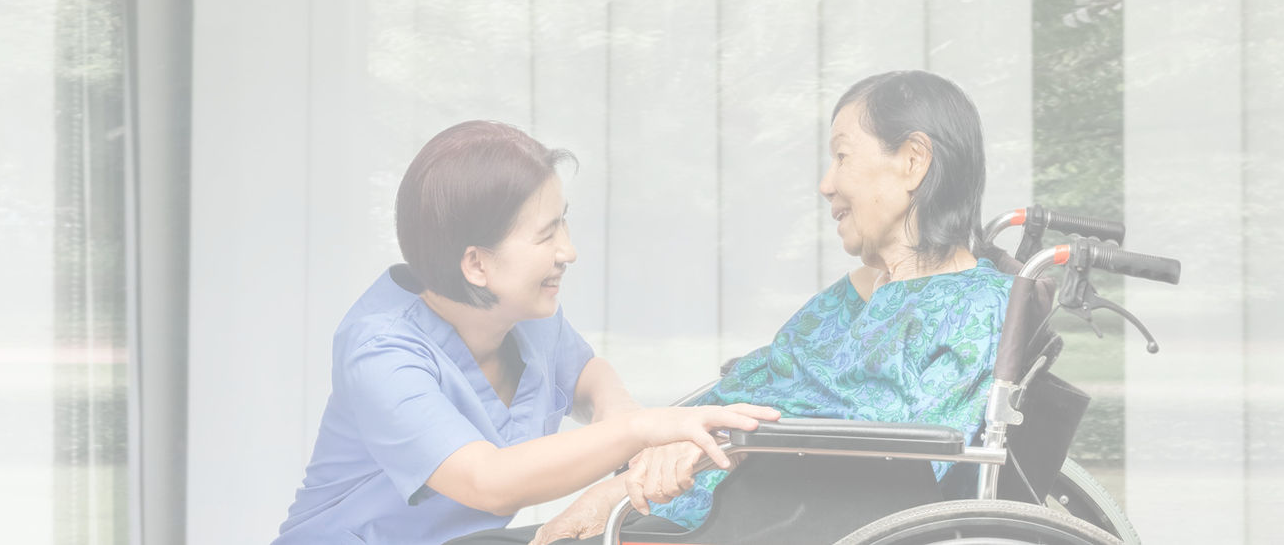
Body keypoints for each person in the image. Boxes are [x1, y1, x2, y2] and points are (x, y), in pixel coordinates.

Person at [458, 70, 1014, 545]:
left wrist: (700, 451)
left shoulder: (976, 308)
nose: (826, 184)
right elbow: (759, 383)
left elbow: (911, 465)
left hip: (765, 522)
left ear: (914, 161)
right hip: (692, 502)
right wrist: (644, 454)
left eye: (842, 156)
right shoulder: (856, 294)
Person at [271, 120, 778, 545]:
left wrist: (620, 414)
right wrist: (644, 429)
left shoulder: (526, 316)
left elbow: (585, 373)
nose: (569, 252)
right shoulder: (380, 352)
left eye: (565, 224)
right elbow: (489, 482)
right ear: (476, 264)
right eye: (546, 235)